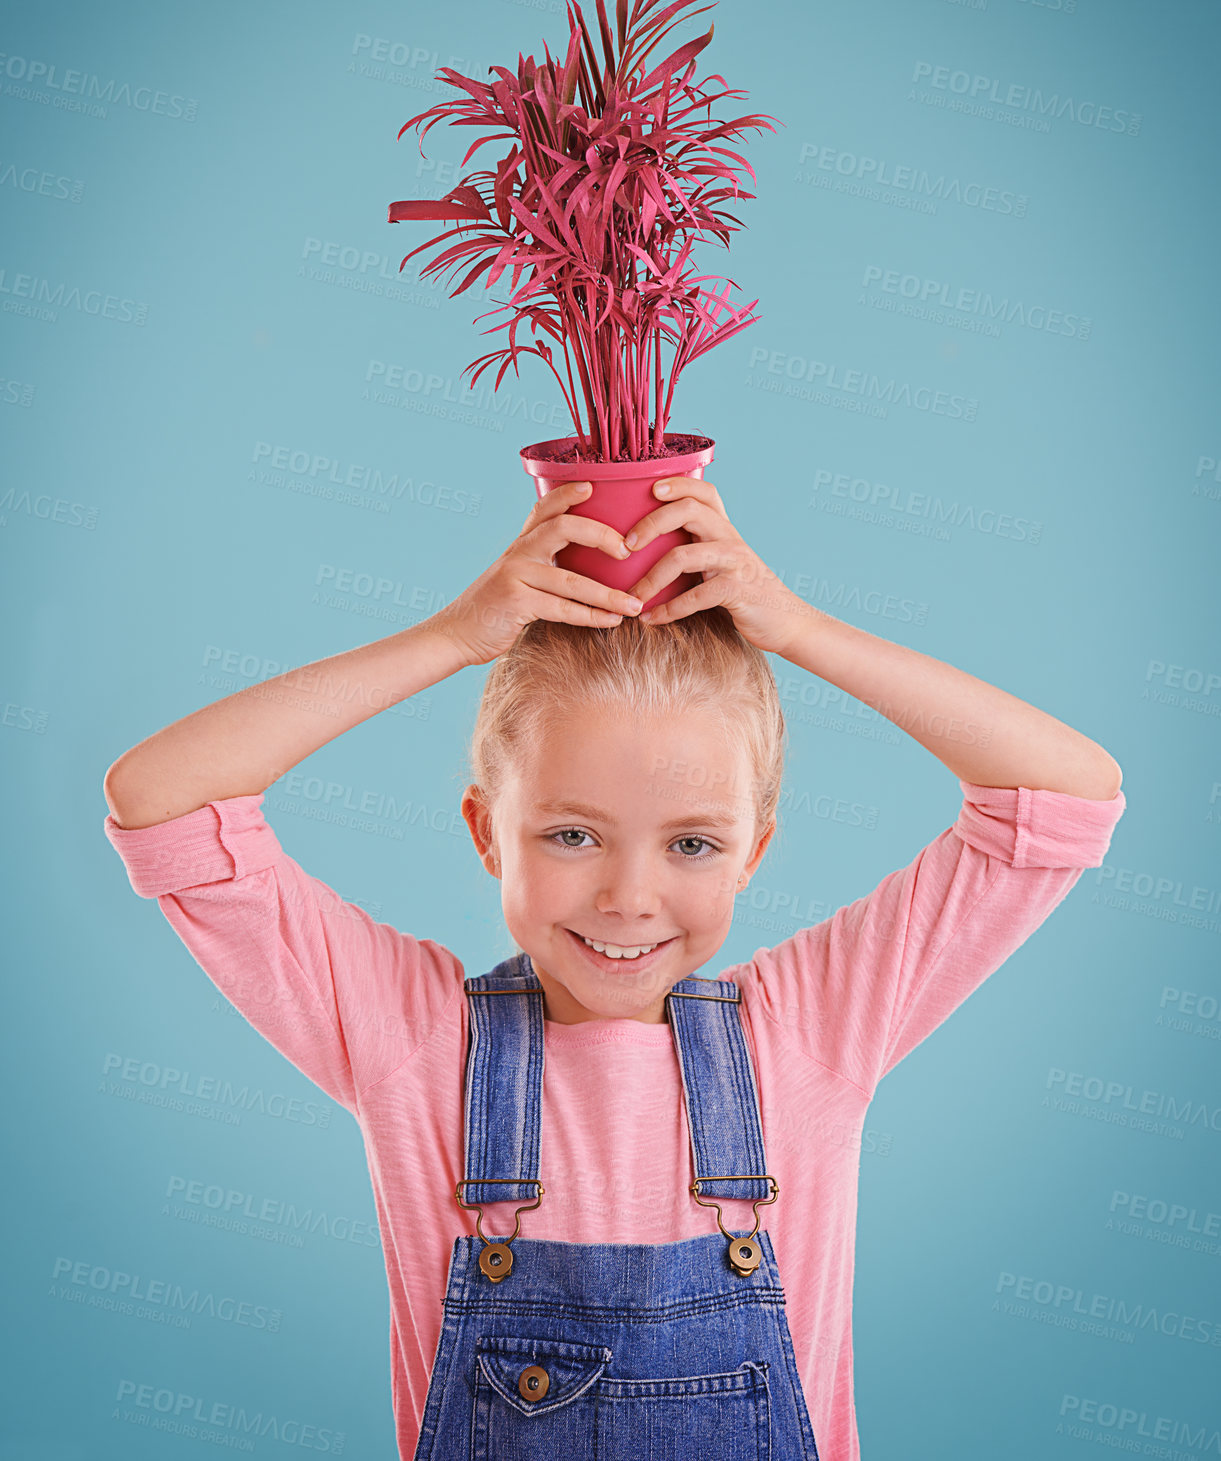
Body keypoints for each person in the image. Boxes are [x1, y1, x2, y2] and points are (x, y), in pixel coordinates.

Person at [103, 475, 1125, 1460]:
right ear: (486, 832)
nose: (630, 897)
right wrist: (449, 637)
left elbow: (1064, 793)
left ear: (753, 850)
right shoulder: (418, 1042)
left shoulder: (808, 1030)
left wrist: (798, 628)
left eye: (691, 844)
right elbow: (162, 795)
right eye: (571, 834)